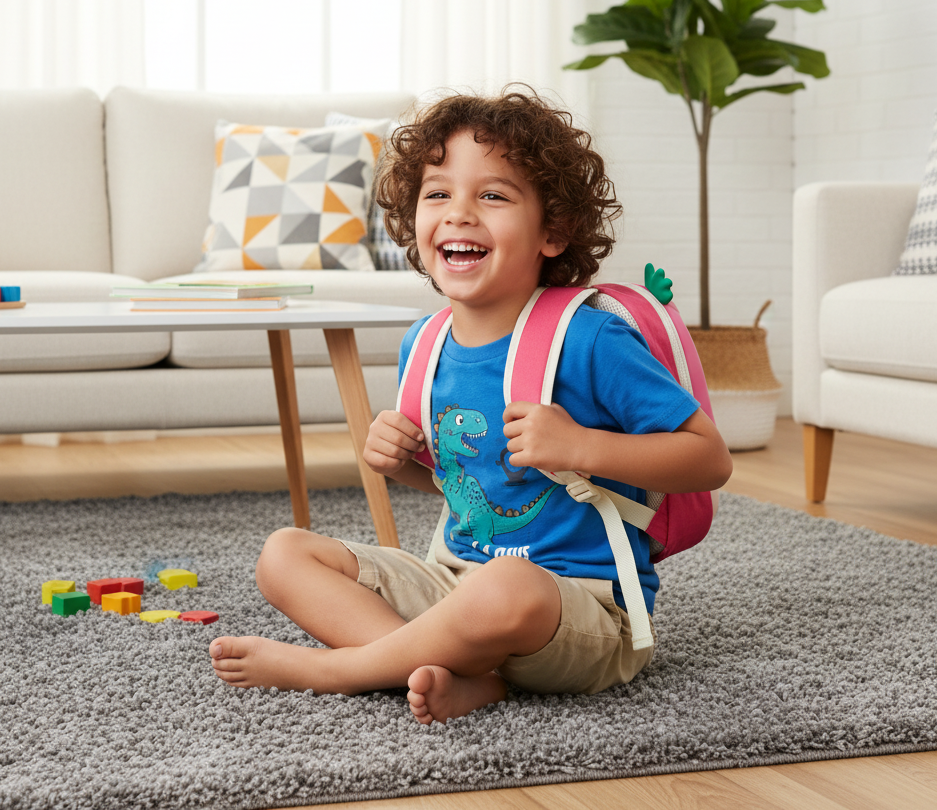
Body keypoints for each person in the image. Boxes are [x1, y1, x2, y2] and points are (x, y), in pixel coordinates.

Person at [210, 87, 732, 723]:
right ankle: (471, 675)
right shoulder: (424, 344)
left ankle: (344, 669)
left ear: (554, 230)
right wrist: (401, 463)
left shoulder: (592, 339)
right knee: (284, 554)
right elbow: (468, 483)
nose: (459, 213)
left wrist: (580, 446)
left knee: (506, 588)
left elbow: (709, 460)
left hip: (577, 607)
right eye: (438, 193)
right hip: (452, 586)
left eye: (493, 194)